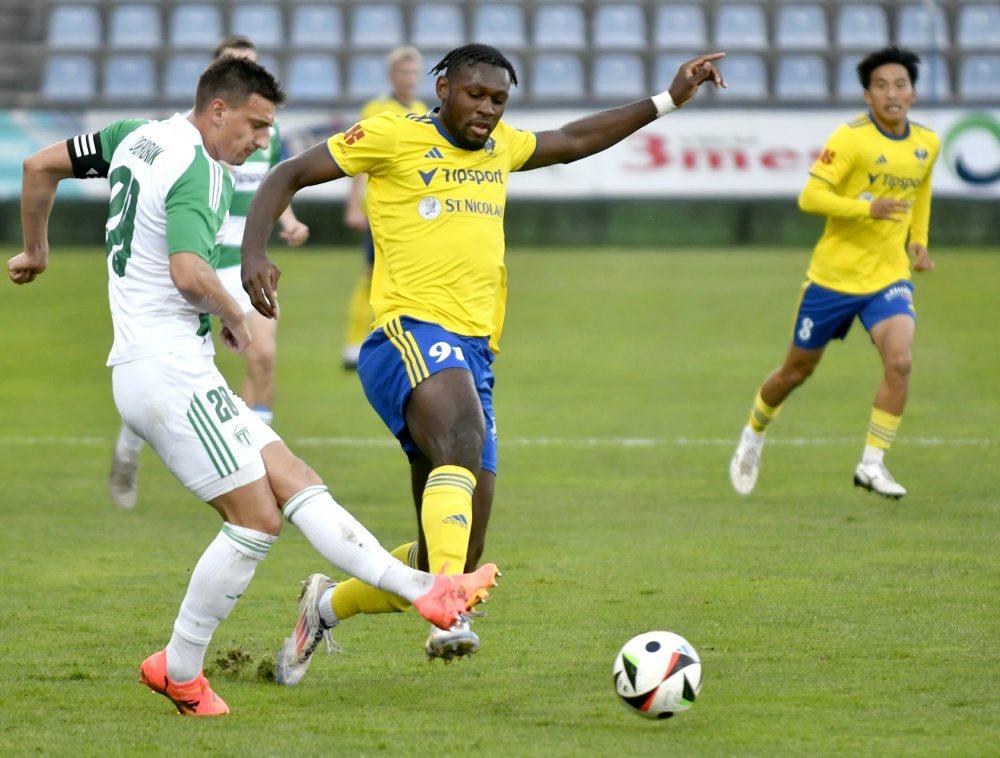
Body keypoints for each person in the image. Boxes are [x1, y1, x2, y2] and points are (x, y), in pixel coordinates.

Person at [9, 55, 498, 716]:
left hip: (164, 365)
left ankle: (425, 590)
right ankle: (179, 669)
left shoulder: (135, 135)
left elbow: (40, 166)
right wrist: (235, 312)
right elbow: (188, 271)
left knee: (294, 477)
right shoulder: (198, 168)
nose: (262, 142)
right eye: (256, 125)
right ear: (218, 109)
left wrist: (37, 249)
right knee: (256, 521)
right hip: (167, 372)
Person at [240, 43, 725, 673]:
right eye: (476, 94)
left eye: (499, 100)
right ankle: (452, 611)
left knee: (457, 551)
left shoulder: (501, 148)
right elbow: (289, 174)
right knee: (462, 441)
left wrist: (667, 99)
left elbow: (574, 138)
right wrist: (254, 251)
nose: (488, 110)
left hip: (474, 354)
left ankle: (326, 608)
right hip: (405, 333)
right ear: (443, 88)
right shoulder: (391, 134)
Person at [107, 35, 309, 510]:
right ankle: (128, 448)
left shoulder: (268, 132)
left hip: (247, 264)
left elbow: (273, 184)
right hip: (200, 262)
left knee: (262, 357)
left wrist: (290, 220)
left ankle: (258, 467)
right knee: (187, 376)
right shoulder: (191, 141)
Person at [728, 46, 939, 500]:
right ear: (868, 95)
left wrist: (918, 240)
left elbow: (921, 190)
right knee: (795, 372)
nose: (892, 93)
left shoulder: (927, 142)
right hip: (833, 278)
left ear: (914, 93)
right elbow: (810, 197)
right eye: (881, 85)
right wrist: (867, 208)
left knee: (900, 361)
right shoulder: (850, 139)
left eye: (900, 84)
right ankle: (753, 434)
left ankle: (872, 464)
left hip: (887, 277)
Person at [342, 46, 428, 370]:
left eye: (414, 72)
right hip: (382, 208)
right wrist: (353, 204)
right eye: (404, 72)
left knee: (407, 278)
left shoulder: (421, 109)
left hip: (413, 210)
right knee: (371, 276)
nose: (409, 78)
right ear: (392, 75)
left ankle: (396, 342)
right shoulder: (377, 108)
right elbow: (360, 158)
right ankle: (354, 345)